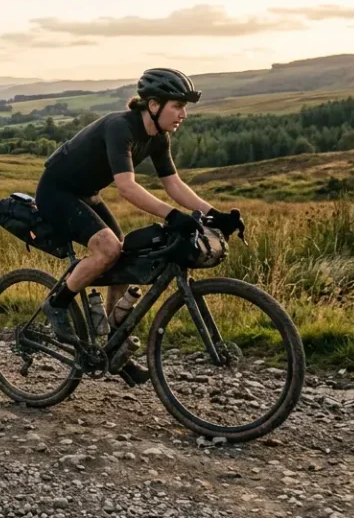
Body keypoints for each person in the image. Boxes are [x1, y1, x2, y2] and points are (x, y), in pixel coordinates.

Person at [34, 68, 244, 385]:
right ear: (154, 104)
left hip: (86, 194)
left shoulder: (159, 138)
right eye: (177, 106)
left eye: (185, 107)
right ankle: (57, 304)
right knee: (107, 248)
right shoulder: (122, 127)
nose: (183, 114)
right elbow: (127, 187)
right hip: (56, 191)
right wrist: (173, 216)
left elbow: (174, 184)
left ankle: (112, 349)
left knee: (122, 258)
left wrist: (214, 213)